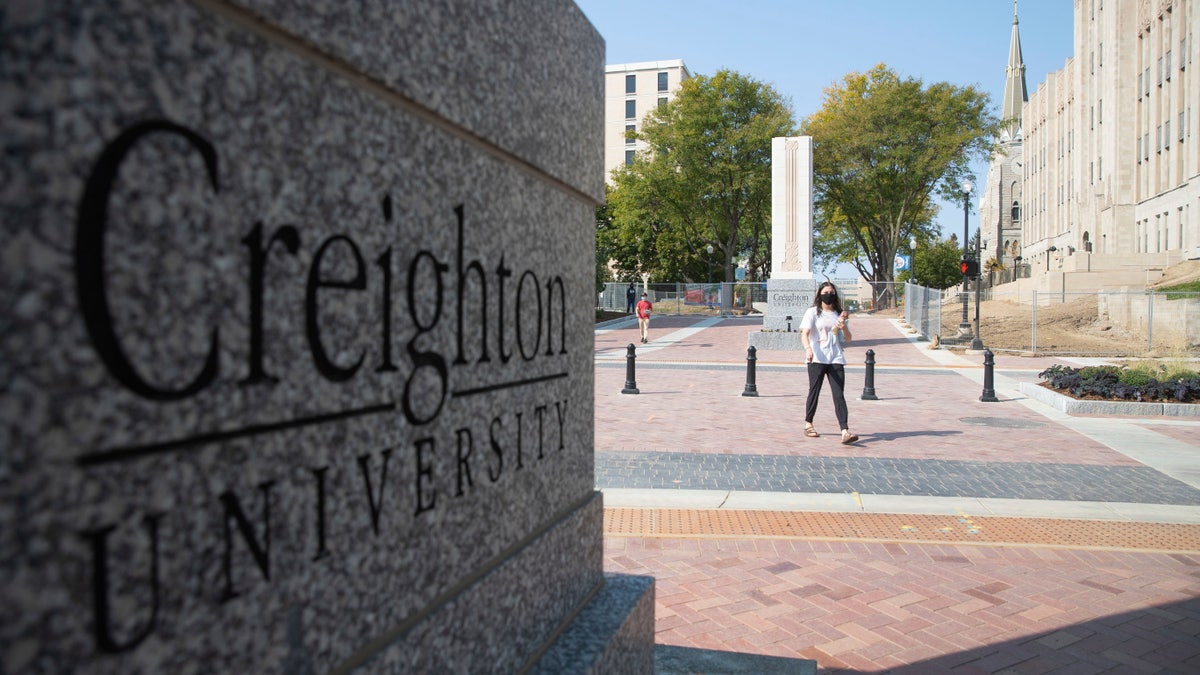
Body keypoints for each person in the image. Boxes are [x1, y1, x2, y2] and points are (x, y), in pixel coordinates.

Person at [800, 281, 859, 444]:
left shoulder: (838, 313)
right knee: (814, 391)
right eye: (826, 292)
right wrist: (808, 349)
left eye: (831, 292)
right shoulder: (812, 312)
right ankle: (808, 423)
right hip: (817, 358)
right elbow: (804, 333)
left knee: (839, 394)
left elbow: (847, 338)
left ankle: (845, 430)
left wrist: (843, 327)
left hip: (835, 358)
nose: (829, 295)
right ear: (819, 294)